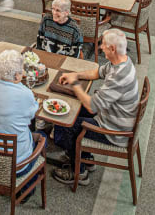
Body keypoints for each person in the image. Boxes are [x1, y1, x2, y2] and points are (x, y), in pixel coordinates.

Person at [52, 29, 140, 187]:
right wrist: (76, 75)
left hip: (114, 130)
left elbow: (92, 107)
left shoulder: (119, 76)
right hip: (113, 116)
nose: (100, 47)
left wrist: (75, 84)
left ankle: (79, 171)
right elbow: (97, 72)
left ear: (112, 49)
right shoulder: (122, 61)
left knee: (68, 122)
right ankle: (85, 156)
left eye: (103, 45)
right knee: (75, 109)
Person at [0, 50, 40, 176]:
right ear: (17, 76)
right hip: (14, 165)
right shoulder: (25, 94)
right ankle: (26, 189)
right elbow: (32, 115)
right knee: (42, 136)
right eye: (22, 70)